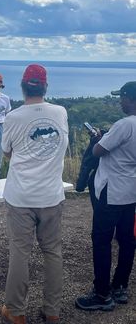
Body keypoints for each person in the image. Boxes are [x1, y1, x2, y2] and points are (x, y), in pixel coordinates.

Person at [0, 64, 68, 324]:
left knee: (20, 252)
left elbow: (7, 152)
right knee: (52, 252)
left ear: (23, 87)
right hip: (51, 195)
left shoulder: (14, 117)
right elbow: (61, 146)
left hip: (21, 197)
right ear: (46, 87)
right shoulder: (60, 113)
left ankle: (16, 313)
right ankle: (52, 311)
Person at [75, 82, 136, 311]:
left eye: (122, 97)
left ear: (130, 98)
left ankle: (101, 294)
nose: (120, 101)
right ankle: (120, 286)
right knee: (127, 241)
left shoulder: (124, 125)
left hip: (110, 191)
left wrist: (100, 138)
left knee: (101, 241)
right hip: (131, 191)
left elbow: (98, 151)